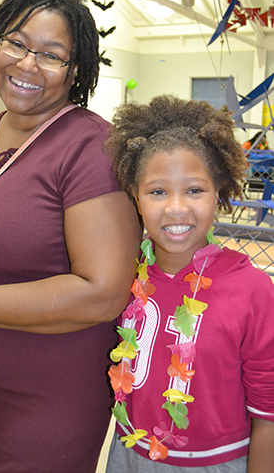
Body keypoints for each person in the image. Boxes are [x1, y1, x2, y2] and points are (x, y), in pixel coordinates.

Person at [0, 0, 142, 473]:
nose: (26, 64)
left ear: (76, 70)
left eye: (51, 54)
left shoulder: (91, 148)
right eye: (16, 42)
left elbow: (101, 292)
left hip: (46, 403)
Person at [103, 95, 274, 472]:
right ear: (136, 197)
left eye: (195, 190)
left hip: (216, 463)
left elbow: (269, 414)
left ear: (221, 193)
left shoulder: (252, 291)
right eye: (158, 191)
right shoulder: (125, 275)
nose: (176, 208)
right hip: (128, 455)